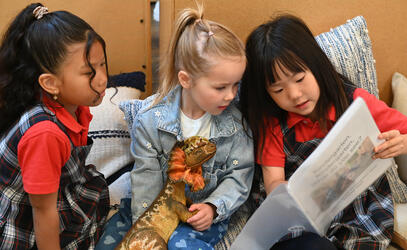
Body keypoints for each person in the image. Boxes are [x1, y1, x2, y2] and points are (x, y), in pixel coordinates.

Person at [239, 14, 407, 250]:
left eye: (299, 79)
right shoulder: (272, 122)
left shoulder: (354, 101)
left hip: (356, 208)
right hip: (300, 216)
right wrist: (293, 194)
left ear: (316, 66)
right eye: (278, 89)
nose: (295, 95)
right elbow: (274, 184)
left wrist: (402, 143)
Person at [96, 5, 254, 250]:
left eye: (235, 85)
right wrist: (147, 227)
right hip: (153, 206)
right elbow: (145, 179)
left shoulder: (236, 126)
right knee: (111, 242)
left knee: (183, 246)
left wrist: (213, 207)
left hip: (201, 213)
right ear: (186, 79)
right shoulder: (150, 121)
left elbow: (239, 177)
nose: (230, 96)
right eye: (220, 87)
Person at [0, 3, 110, 249]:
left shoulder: (73, 103)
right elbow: (43, 212)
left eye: (102, 64)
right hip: (27, 217)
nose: (102, 78)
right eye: (88, 72)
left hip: (49, 191)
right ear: (50, 83)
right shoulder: (45, 134)